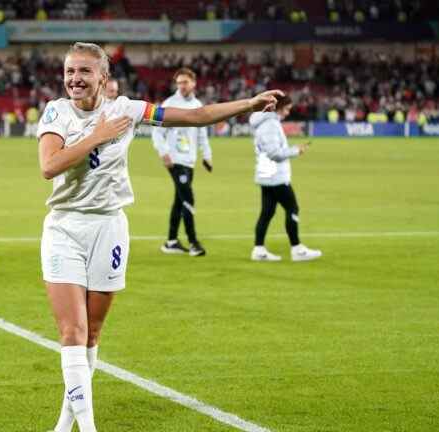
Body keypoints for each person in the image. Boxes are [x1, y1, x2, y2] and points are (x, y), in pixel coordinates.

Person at [37, 42, 282, 432]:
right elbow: (49, 167)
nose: (74, 79)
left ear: (103, 77)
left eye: (84, 71)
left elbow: (197, 115)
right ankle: (89, 427)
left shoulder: (128, 110)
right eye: (69, 71)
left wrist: (247, 105)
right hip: (65, 226)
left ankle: (66, 421)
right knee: (72, 331)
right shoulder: (55, 111)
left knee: (93, 333)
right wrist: (97, 136)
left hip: (110, 226)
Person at [249, 94, 321, 262]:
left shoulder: (265, 122)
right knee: (292, 208)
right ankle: (297, 249)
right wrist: (296, 150)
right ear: (277, 107)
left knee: (267, 212)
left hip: (267, 173)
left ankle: (259, 250)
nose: (288, 113)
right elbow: (275, 153)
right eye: (287, 109)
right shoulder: (270, 124)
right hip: (275, 176)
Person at [152, 67, 212, 257]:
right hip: (175, 160)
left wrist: (207, 155)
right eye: (179, 83)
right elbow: (157, 131)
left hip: (189, 160)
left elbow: (202, 133)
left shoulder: (197, 104)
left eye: (185, 82)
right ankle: (194, 243)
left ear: (193, 83)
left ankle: (171, 242)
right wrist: (164, 153)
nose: (182, 86)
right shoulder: (169, 103)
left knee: (179, 201)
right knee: (188, 198)